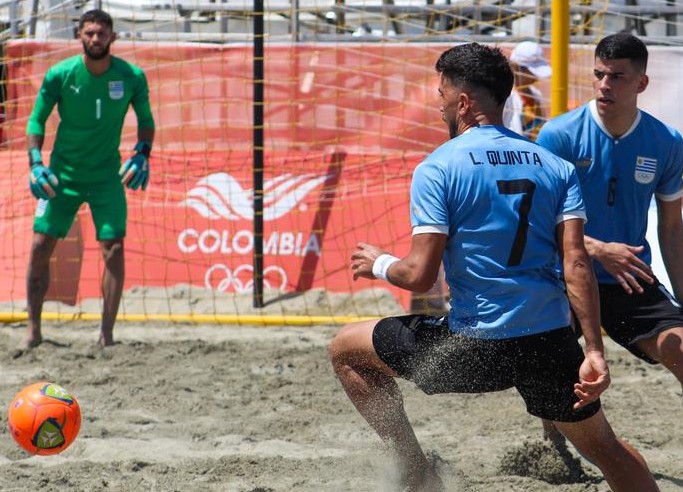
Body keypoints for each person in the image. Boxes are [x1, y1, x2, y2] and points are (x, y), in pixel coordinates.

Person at [328, 42, 659, 492]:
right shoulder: (556, 166)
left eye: (441, 92)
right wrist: (595, 351)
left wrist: (379, 263)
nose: (437, 101)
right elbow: (577, 263)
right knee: (609, 451)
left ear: (462, 102)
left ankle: (413, 468)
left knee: (346, 349)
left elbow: (420, 276)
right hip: (548, 342)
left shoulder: (439, 167)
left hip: (474, 348)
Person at [536, 32, 683, 442]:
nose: (604, 85)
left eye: (617, 76)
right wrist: (599, 248)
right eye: (599, 74)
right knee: (556, 371)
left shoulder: (667, 142)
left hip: (628, 278)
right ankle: (554, 443)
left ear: (641, 83)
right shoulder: (559, 136)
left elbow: (672, 230)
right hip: (565, 276)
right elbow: (540, 222)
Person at [24, 9, 155, 348]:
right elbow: (36, 120)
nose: (95, 38)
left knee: (113, 249)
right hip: (61, 176)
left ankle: (106, 337)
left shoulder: (132, 76)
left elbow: (146, 120)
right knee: (40, 247)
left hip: (106, 177)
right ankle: (33, 333)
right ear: (79, 36)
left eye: (101, 33)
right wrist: (36, 162)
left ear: (112, 37)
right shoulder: (60, 74)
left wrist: (142, 153)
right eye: (89, 33)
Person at [503, 40, 551, 139]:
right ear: (517, 67)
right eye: (532, 72)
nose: (535, 77)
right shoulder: (505, 97)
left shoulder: (535, 94)